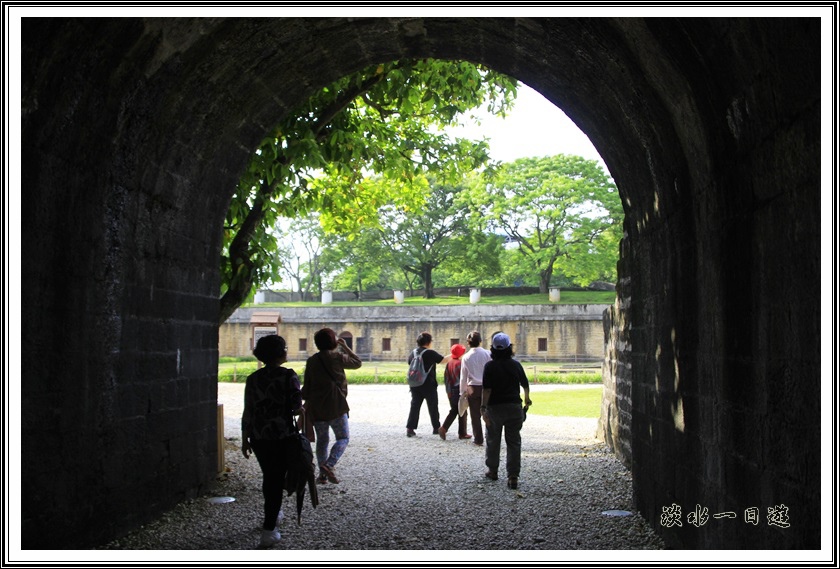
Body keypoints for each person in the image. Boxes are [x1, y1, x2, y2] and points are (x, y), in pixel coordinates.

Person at [241, 334, 303, 549]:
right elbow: (296, 407)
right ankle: (269, 529)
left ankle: (273, 514)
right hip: (282, 434)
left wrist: (244, 439)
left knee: (270, 476)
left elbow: (248, 410)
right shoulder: (289, 376)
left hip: (259, 436)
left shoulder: (253, 378)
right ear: (280, 353)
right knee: (277, 479)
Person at [301, 328, 362, 485]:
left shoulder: (312, 360)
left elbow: (306, 387)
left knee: (322, 440)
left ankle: (322, 475)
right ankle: (329, 465)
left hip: (317, 406)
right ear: (333, 342)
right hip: (336, 405)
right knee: (343, 438)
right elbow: (357, 363)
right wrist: (345, 347)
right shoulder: (337, 357)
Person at [480, 332, 532, 490]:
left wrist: (483, 408)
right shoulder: (516, 365)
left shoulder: (489, 366)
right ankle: (513, 476)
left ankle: (493, 470)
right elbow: (525, 385)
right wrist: (527, 400)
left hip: (495, 407)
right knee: (514, 442)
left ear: (493, 349)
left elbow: (487, 390)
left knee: (493, 440)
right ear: (510, 347)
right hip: (514, 407)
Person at [405, 332, 451, 437]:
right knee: (433, 406)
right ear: (429, 342)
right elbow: (443, 360)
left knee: (415, 406)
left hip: (415, 384)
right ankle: (436, 427)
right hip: (428, 384)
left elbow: (409, 363)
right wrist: (454, 354)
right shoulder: (429, 353)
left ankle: (410, 428)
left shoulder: (413, 353)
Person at [459, 331, 492, 446]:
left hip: (473, 387)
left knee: (475, 415)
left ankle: (478, 439)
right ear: (481, 341)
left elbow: (463, 376)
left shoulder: (466, 357)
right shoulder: (488, 354)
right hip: (487, 387)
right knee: (489, 412)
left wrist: (462, 392)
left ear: (468, 343)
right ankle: (491, 437)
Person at [438, 343, 470, 441]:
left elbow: (446, 378)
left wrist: (448, 391)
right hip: (458, 390)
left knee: (459, 410)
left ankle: (462, 433)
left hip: (451, 390)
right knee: (459, 410)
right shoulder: (460, 364)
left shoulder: (450, 363)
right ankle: (444, 428)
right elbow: (463, 378)